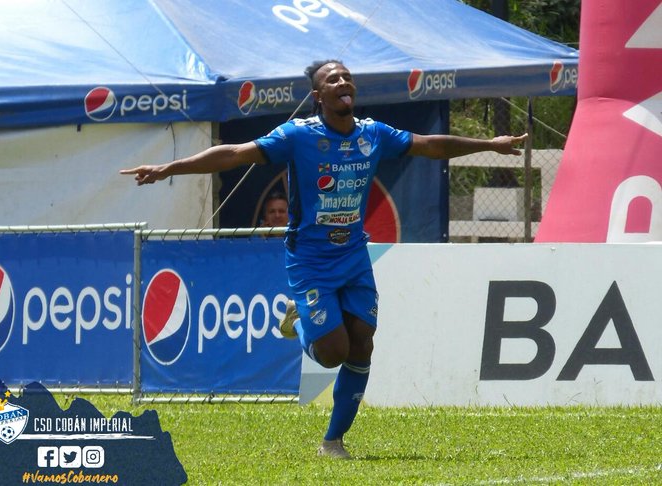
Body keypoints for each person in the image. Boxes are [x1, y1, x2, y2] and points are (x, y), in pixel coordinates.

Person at [120, 60, 527, 459]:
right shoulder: (297, 136)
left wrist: (489, 144)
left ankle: (333, 441)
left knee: (362, 343)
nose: (343, 81)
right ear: (319, 95)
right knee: (333, 352)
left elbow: (430, 145)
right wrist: (168, 167)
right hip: (310, 260)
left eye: (347, 76)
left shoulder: (373, 134)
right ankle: (299, 320)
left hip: (353, 255)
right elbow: (234, 154)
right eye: (333, 79)